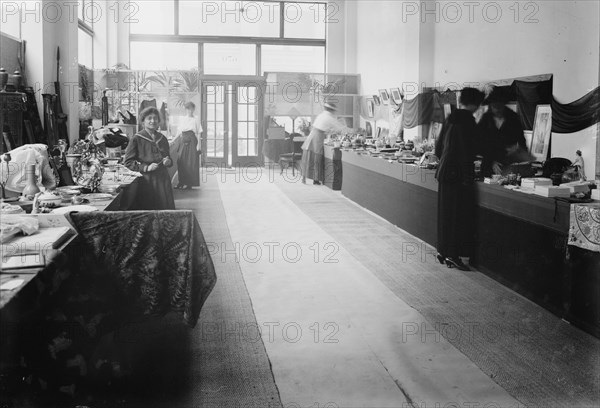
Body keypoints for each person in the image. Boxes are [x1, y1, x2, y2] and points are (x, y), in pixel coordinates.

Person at [435, 87, 485, 271]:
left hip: (444, 171)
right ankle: (453, 256)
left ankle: (443, 251)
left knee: (445, 213)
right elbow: (469, 151)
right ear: (474, 104)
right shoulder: (468, 120)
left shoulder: (451, 118)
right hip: (458, 175)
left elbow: (438, 148)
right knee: (457, 216)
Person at [124, 107, 175, 210]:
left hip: (162, 179)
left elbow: (168, 157)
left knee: (165, 209)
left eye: (155, 118)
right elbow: (128, 162)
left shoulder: (162, 138)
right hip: (146, 180)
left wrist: (168, 161)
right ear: (143, 121)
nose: (153, 121)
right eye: (149, 118)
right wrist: (146, 168)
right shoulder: (136, 139)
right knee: (149, 208)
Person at [476, 87, 528, 177]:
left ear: (503, 104)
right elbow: (479, 143)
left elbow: (521, 141)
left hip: (508, 163)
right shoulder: (485, 120)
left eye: (499, 106)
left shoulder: (513, 118)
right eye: (494, 106)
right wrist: (491, 161)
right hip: (488, 163)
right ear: (490, 105)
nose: (497, 110)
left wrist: (524, 160)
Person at [301, 101, 346, 185]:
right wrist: (350, 129)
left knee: (308, 156)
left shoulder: (321, 115)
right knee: (317, 157)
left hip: (312, 134)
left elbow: (327, 128)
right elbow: (339, 128)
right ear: (331, 110)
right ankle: (316, 179)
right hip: (317, 136)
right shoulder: (329, 117)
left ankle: (305, 178)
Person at [172, 101, 202, 190]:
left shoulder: (196, 119)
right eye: (188, 109)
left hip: (192, 140)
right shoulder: (182, 119)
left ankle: (190, 183)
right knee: (181, 161)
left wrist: (198, 146)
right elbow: (179, 132)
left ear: (194, 109)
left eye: (192, 109)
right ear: (186, 109)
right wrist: (173, 140)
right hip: (183, 140)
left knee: (191, 162)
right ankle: (181, 182)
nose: (190, 111)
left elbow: (199, 133)